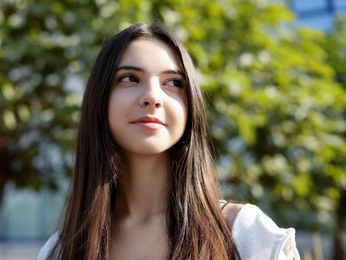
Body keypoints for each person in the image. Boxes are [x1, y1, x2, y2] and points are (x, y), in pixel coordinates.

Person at [38, 22, 300, 260]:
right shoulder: (62, 250)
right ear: (100, 99)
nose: (153, 97)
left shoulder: (248, 236)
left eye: (173, 82)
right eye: (130, 78)